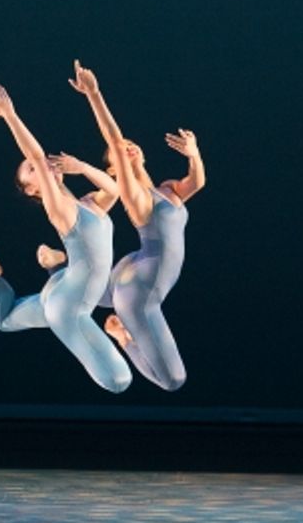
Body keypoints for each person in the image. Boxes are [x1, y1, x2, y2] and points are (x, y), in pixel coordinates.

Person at [0, 82, 132, 394]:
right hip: (68, 308)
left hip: (63, 288)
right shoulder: (59, 210)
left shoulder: (87, 204)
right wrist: (10, 115)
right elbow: (34, 153)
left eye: (41, 165)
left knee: (5, 319)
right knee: (119, 382)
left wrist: (82, 166)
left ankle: (4, 277)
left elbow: (114, 190)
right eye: (33, 171)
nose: (42, 165)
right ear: (34, 190)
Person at [68, 60, 205, 390]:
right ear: (114, 171)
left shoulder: (166, 189)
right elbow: (115, 140)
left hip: (137, 270)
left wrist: (194, 153)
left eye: (131, 143)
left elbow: (197, 183)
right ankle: (122, 338)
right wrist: (94, 94)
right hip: (138, 293)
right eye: (119, 152)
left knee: (99, 292)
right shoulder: (135, 196)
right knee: (173, 381)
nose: (126, 146)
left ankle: (65, 272)